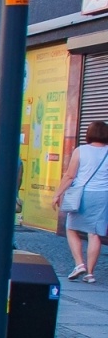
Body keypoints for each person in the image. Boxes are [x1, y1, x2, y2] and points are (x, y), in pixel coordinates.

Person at [53, 119, 108, 282]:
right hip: (102, 195)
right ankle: (90, 273)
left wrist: (57, 194)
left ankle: (79, 264)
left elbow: (70, 175)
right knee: (94, 233)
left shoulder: (81, 150)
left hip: (81, 194)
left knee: (71, 228)